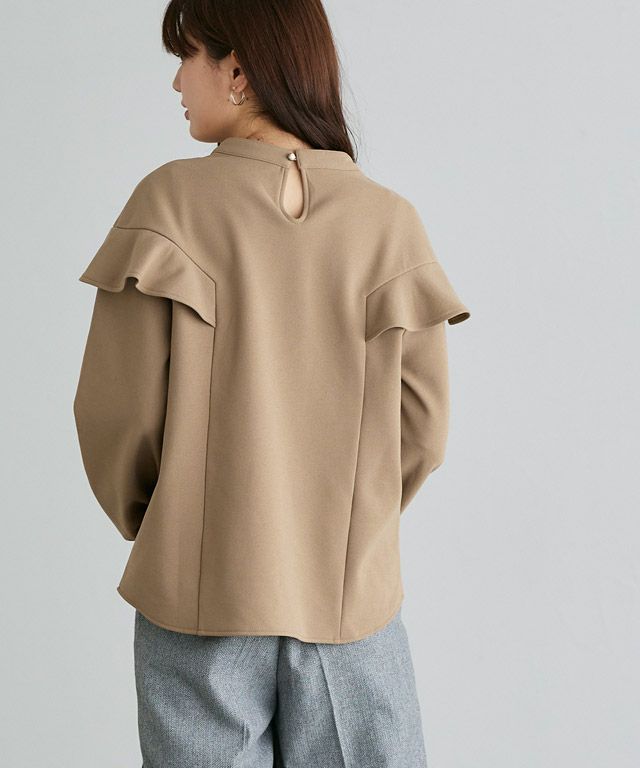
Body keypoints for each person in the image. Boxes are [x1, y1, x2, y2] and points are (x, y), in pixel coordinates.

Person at [72, 0, 471, 765]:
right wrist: (346, 533)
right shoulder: (389, 222)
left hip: (198, 599)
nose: (177, 82)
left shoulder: (169, 204)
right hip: (349, 609)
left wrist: (176, 526)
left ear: (238, 69)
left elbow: (114, 415)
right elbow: (422, 430)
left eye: (186, 57)